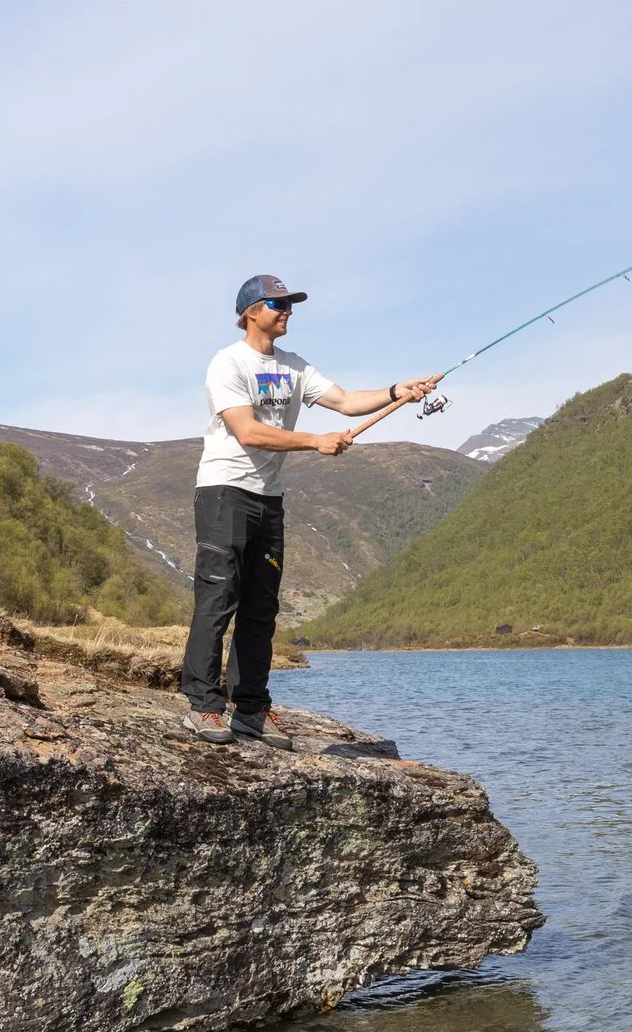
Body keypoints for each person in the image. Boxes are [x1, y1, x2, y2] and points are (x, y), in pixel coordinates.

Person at [182, 274, 440, 743]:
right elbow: (248, 432)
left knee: (261, 607)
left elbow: (344, 402)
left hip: (269, 499)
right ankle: (203, 705)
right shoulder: (228, 363)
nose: (288, 311)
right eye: (278, 304)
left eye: (290, 304)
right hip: (224, 491)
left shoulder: (295, 366)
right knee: (219, 599)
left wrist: (395, 391)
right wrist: (314, 441)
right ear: (251, 312)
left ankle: (252, 709)